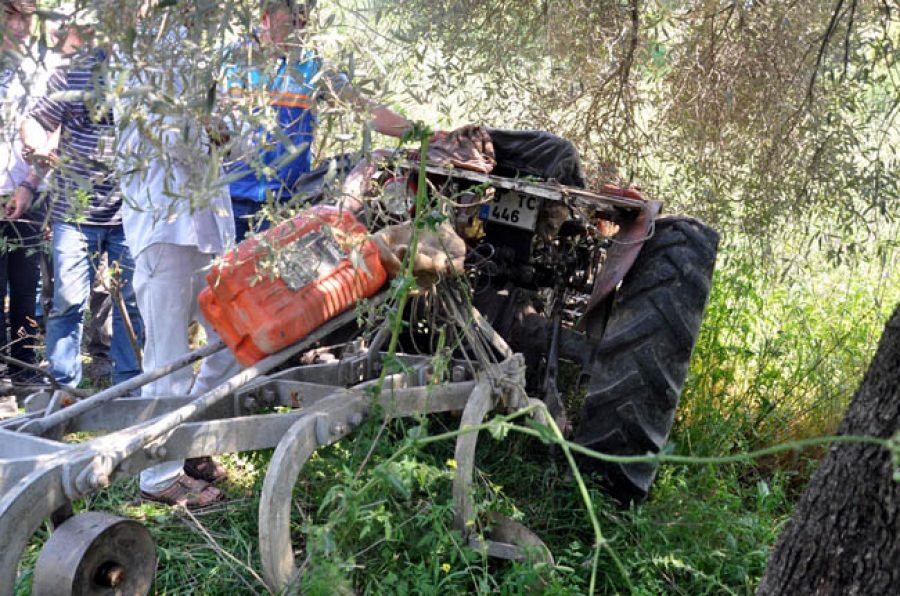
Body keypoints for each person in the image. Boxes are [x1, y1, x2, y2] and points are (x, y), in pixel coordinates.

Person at [115, 5, 240, 507]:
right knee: (165, 354)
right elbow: (152, 140)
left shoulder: (205, 66)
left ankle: (188, 440)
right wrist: (202, 125)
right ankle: (158, 474)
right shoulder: (135, 62)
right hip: (162, 229)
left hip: (208, 232)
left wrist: (224, 127)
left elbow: (231, 139)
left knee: (229, 342)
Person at [20, 6, 143, 389]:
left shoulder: (150, 78)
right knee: (69, 301)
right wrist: (36, 145)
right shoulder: (75, 72)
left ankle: (129, 386)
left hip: (132, 212)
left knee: (132, 305)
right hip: (75, 210)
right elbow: (36, 120)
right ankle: (62, 388)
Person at [224, 0, 413, 241]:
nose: (300, 25)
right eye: (292, 19)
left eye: (304, 18)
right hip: (228, 204)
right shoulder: (227, 62)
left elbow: (363, 108)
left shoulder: (312, 68)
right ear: (265, 16)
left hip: (285, 206)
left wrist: (416, 131)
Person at [0, 0, 55, 391]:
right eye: (10, 14)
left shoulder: (38, 68)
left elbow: (50, 125)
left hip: (29, 191)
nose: (20, 26)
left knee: (25, 284)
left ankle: (23, 366)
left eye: (26, 17)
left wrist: (40, 162)